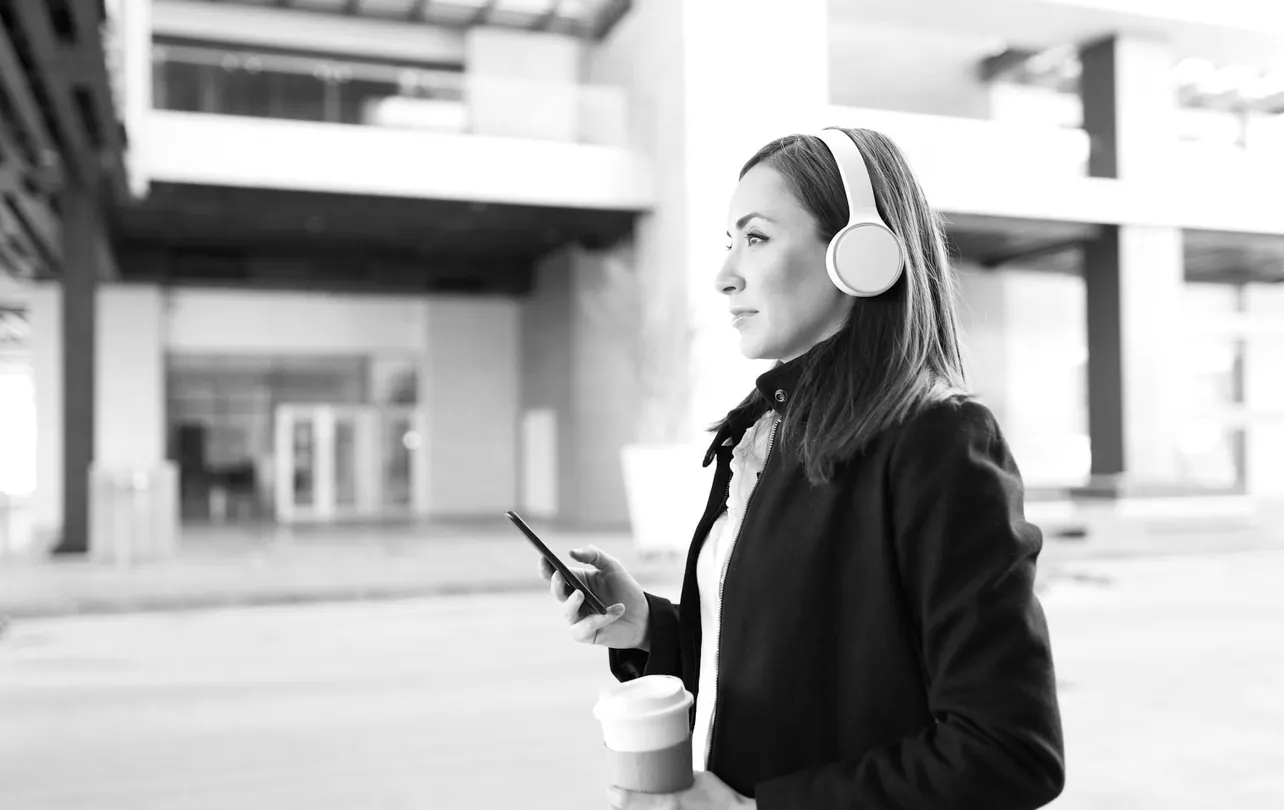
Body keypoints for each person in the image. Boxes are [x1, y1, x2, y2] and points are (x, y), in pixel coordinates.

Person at [540, 127, 1065, 810]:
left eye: (755, 239)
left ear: (860, 253)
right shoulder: (769, 430)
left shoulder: (938, 441)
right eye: (729, 242)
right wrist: (650, 628)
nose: (725, 274)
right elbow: (804, 662)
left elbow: (1007, 751)